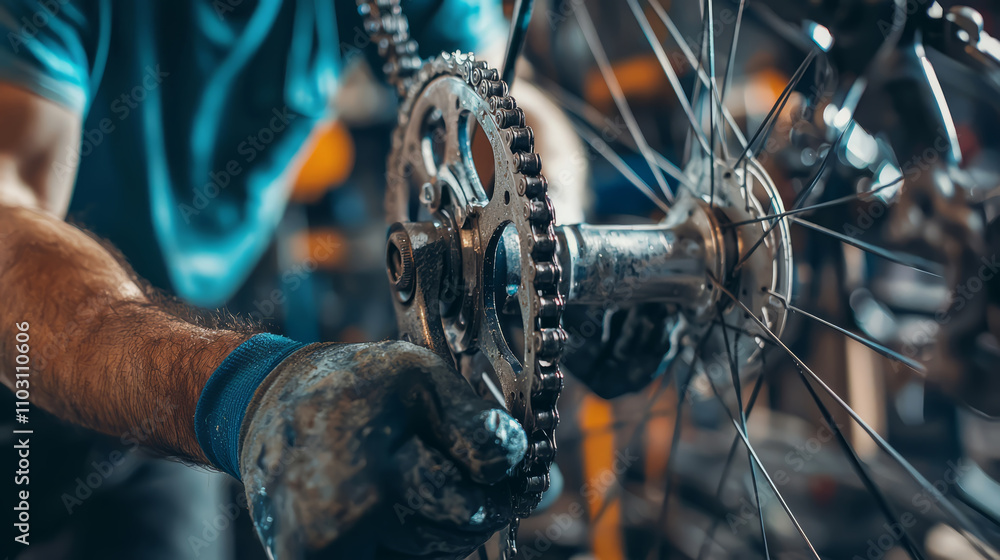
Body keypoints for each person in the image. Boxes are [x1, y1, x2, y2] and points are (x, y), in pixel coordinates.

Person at [0, 1, 528, 558]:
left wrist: (557, 250)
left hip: (171, 397)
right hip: (36, 373)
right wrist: (242, 391)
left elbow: (511, 110)